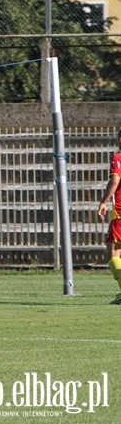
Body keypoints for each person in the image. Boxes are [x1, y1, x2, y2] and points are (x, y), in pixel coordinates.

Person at [97, 128, 121, 304]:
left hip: (120, 211)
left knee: (113, 252)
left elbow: (114, 181)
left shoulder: (117, 158)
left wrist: (103, 202)